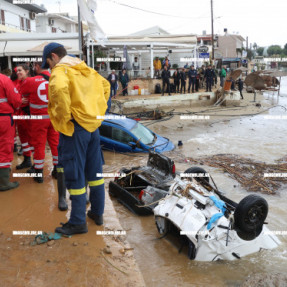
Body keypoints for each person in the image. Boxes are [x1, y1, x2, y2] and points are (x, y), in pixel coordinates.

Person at [42, 42, 110, 235]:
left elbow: (60, 90)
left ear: (54, 57)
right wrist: (97, 111)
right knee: (95, 173)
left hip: (75, 129)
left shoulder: (61, 71)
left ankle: (78, 221)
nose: (50, 68)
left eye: (49, 63)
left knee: (75, 173)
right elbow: (106, 86)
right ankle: (97, 213)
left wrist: (64, 119)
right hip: (93, 127)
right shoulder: (83, 67)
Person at [19, 62, 59, 183]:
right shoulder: (56, 78)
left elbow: (23, 96)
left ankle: (39, 173)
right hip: (54, 118)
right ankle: (57, 170)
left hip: (38, 119)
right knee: (55, 143)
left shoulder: (30, 81)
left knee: (39, 145)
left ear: (36, 67)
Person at [0, 73, 22, 191]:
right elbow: (16, 100)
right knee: (4, 148)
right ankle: (3, 182)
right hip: (3, 118)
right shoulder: (3, 79)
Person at [15, 65, 33, 170]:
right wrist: (19, 100)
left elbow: (30, 99)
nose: (18, 73)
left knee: (31, 140)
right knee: (23, 140)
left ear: (27, 71)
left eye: (20, 71)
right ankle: (27, 159)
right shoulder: (19, 83)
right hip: (20, 116)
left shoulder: (30, 82)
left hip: (27, 116)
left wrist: (19, 101)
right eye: (17, 71)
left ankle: (36, 165)